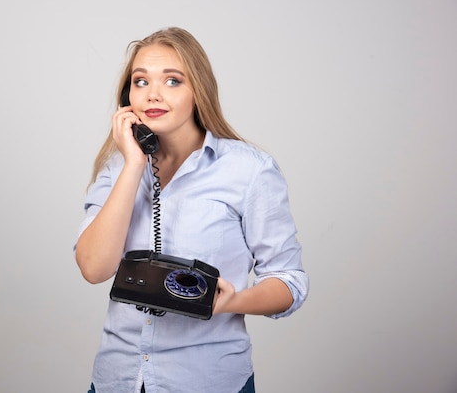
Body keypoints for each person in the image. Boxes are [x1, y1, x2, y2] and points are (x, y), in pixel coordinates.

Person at [74, 26, 309, 393]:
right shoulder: (118, 168)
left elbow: (290, 280)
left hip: (206, 381)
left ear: (198, 89)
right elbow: (93, 267)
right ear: (127, 97)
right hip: (117, 381)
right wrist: (135, 165)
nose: (152, 94)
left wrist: (234, 302)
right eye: (140, 81)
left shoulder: (249, 171)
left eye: (172, 81)